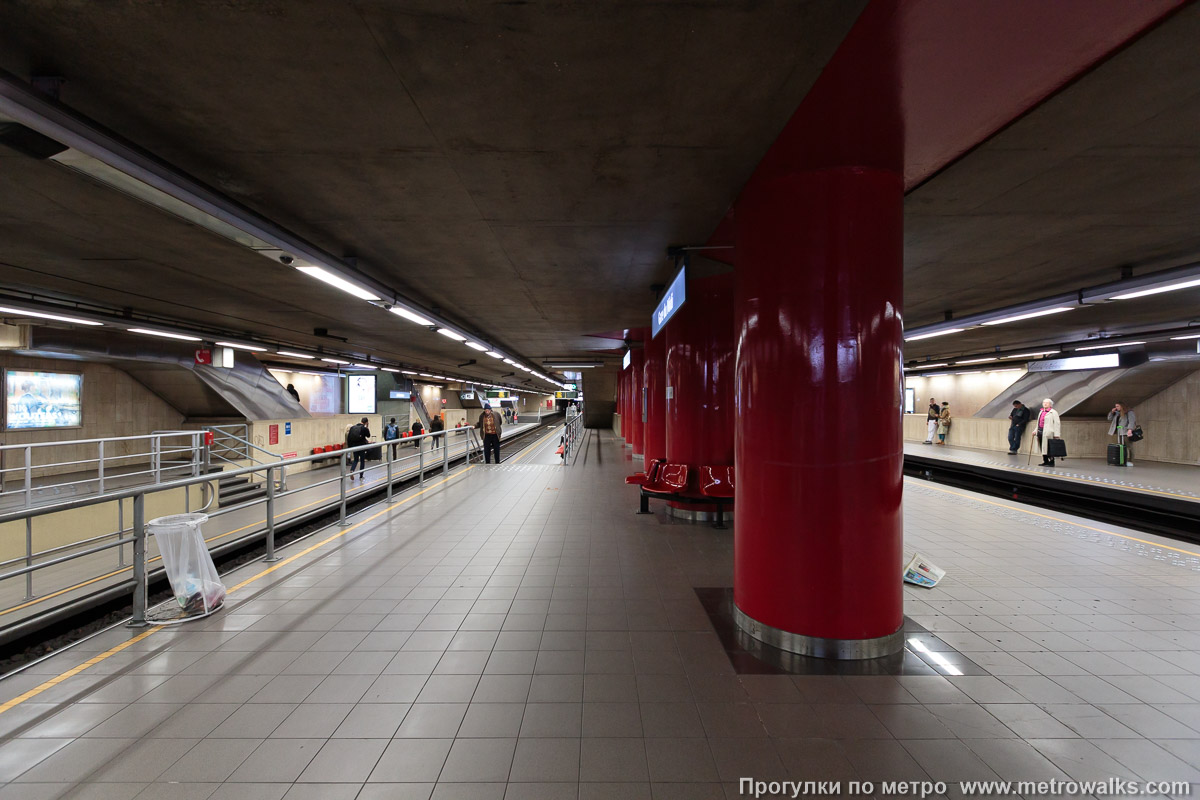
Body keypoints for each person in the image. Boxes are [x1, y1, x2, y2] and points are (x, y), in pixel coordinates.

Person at [1036, 398, 1062, 467]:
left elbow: (1057, 424)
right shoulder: (1041, 412)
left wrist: (1057, 434)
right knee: (1043, 447)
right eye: (1044, 402)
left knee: (1049, 447)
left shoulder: (1053, 412)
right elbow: (1038, 423)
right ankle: (1045, 461)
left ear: (1050, 404)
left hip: (1049, 433)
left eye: (1047, 403)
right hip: (1040, 431)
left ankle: (1051, 461)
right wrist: (1035, 430)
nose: (1045, 404)